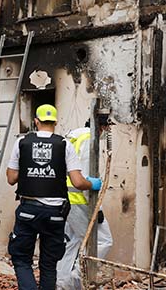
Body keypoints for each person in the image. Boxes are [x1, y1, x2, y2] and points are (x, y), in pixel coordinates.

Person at [6, 104, 102, 290]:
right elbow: (78, 182)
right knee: (49, 265)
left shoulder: (22, 142)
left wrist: (29, 168)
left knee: (22, 259)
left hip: (28, 211)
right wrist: (93, 183)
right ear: (55, 122)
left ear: (36, 121)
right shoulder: (64, 144)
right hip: (55, 214)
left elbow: (11, 178)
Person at [56, 124, 114, 290]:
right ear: (102, 126)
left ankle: (63, 284)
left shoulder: (71, 136)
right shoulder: (89, 140)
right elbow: (86, 179)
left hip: (65, 199)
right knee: (102, 241)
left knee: (71, 242)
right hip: (80, 200)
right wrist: (98, 208)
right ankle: (79, 278)